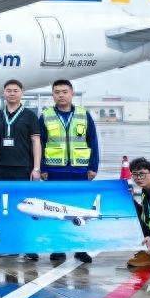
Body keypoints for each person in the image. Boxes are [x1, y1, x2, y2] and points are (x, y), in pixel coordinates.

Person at [31, 79, 98, 264]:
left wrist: (93, 167)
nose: (61, 95)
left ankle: (81, 249)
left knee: (80, 209)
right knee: (56, 210)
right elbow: (40, 143)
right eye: (57, 92)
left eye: (64, 91)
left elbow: (92, 141)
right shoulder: (46, 115)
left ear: (72, 93)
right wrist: (42, 167)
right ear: (53, 95)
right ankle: (58, 248)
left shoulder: (84, 115)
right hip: (55, 171)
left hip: (79, 170)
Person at [0, 80, 42, 182]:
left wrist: (36, 168)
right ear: (4, 93)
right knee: (2, 192)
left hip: (24, 168)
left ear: (22, 92)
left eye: (15, 91)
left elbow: (36, 141)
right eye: (8, 91)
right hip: (1, 168)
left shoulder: (30, 116)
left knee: (23, 193)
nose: (12, 93)